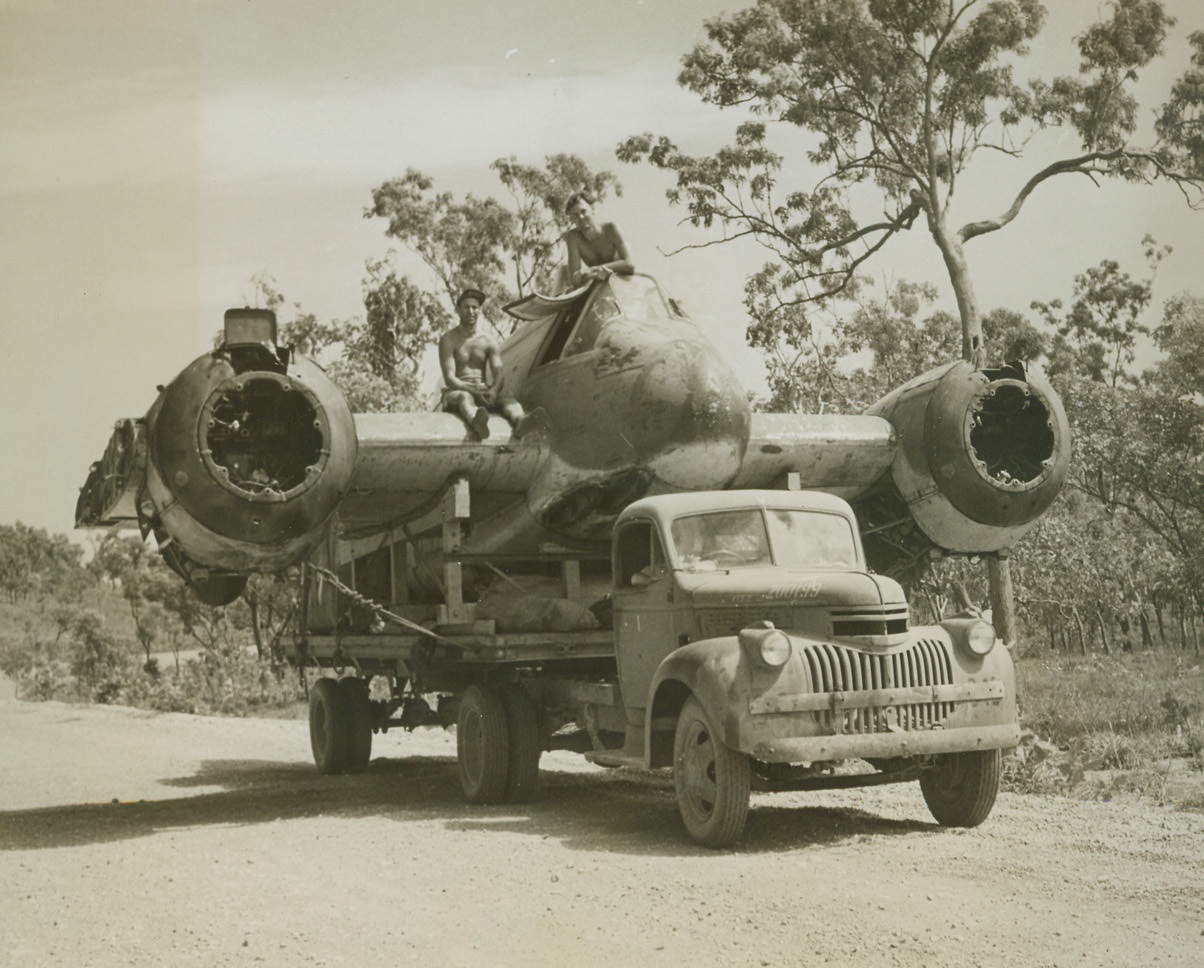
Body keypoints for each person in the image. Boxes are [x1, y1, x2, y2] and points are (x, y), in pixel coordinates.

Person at [439, 288, 542, 440]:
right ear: (458, 310)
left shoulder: (488, 340)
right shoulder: (448, 339)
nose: (471, 311)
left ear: (480, 310)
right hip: (457, 391)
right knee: (464, 397)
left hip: (482, 389)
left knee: (507, 398)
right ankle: (476, 421)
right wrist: (474, 392)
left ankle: (520, 420)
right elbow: (450, 379)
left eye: (474, 307)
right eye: (466, 307)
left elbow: (499, 375)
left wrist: (493, 391)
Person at [563, 192, 634, 286]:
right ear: (572, 218)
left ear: (592, 209)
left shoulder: (611, 229)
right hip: (598, 286)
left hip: (622, 283)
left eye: (583, 211)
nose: (581, 217)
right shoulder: (573, 237)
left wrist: (594, 269)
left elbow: (629, 264)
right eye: (575, 215)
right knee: (562, 270)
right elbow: (574, 279)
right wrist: (596, 275)